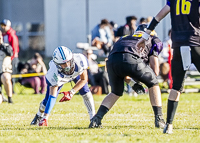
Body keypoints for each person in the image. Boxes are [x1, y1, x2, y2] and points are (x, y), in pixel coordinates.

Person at [135, 0, 200, 134]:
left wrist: (146, 35)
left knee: (176, 87)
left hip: (179, 45)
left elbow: (158, 17)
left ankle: (169, 124)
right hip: (196, 43)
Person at [89, 24, 165, 129]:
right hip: (132, 59)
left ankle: (96, 119)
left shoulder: (124, 38)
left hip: (112, 62)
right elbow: (155, 71)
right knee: (153, 83)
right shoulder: (152, 38)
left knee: (115, 92)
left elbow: (122, 63)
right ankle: (159, 119)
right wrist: (146, 78)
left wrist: (133, 83)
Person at [30, 46, 95, 126]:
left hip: (75, 74)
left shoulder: (80, 60)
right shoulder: (53, 72)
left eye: (68, 61)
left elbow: (84, 79)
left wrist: (71, 92)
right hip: (60, 78)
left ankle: (93, 118)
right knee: (47, 101)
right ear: (57, 64)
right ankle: (39, 115)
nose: (67, 65)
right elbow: (53, 96)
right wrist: (45, 117)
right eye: (63, 64)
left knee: (85, 91)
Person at [0, 19, 20, 93]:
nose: (3, 27)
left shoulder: (12, 35)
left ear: (8, 26)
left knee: (12, 75)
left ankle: (12, 91)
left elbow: (14, 49)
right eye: (2, 25)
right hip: (4, 59)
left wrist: (11, 59)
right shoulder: (3, 35)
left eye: (4, 25)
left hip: (12, 58)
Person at [0, 30, 13, 104]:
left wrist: (1, 43)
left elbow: (10, 53)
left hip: (3, 71)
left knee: (6, 77)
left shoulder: (6, 46)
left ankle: (9, 99)